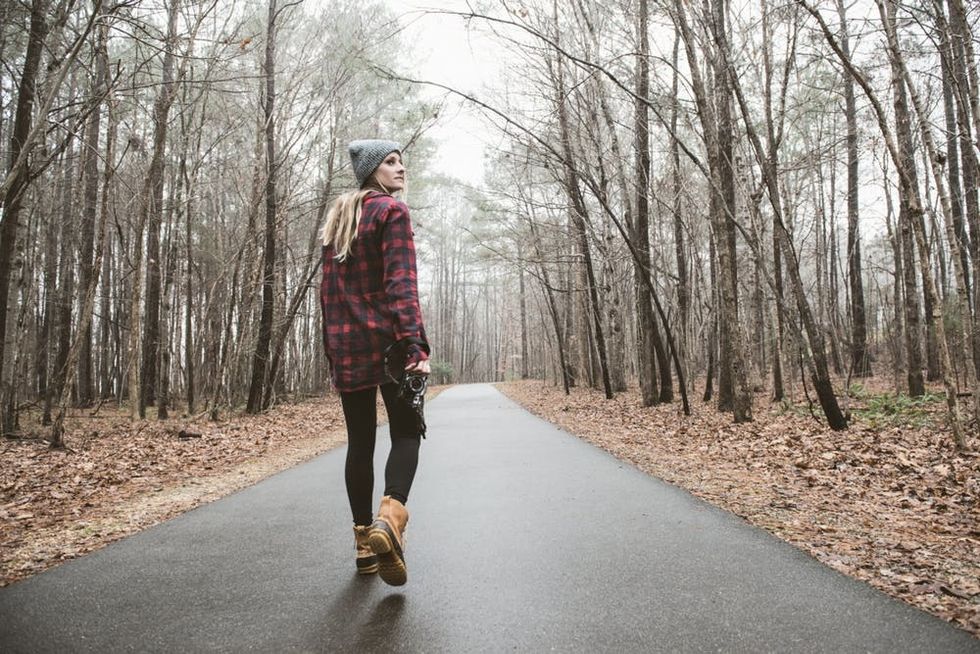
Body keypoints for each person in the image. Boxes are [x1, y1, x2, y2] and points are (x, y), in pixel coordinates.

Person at [320, 139, 430, 586]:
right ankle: (391, 518)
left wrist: (333, 351)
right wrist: (414, 346)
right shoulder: (392, 213)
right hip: (389, 346)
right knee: (407, 433)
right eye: (390, 162)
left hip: (347, 347)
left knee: (360, 443)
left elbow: (328, 297)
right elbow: (400, 284)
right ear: (372, 172)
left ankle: (364, 545)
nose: (400, 168)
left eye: (401, 161)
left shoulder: (339, 219)